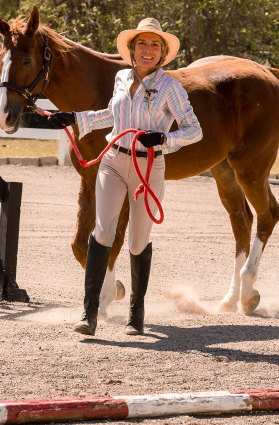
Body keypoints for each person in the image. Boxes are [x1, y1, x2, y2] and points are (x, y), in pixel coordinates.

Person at [49, 18, 203, 336]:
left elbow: (194, 130)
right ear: (132, 50)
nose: (148, 50)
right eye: (142, 44)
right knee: (102, 231)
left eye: (154, 45)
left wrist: (163, 140)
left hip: (149, 168)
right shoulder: (121, 78)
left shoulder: (170, 88)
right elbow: (111, 115)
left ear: (162, 54)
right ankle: (89, 312)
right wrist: (75, 118)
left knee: (137, 240)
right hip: (114, 161)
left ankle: (136, 311)